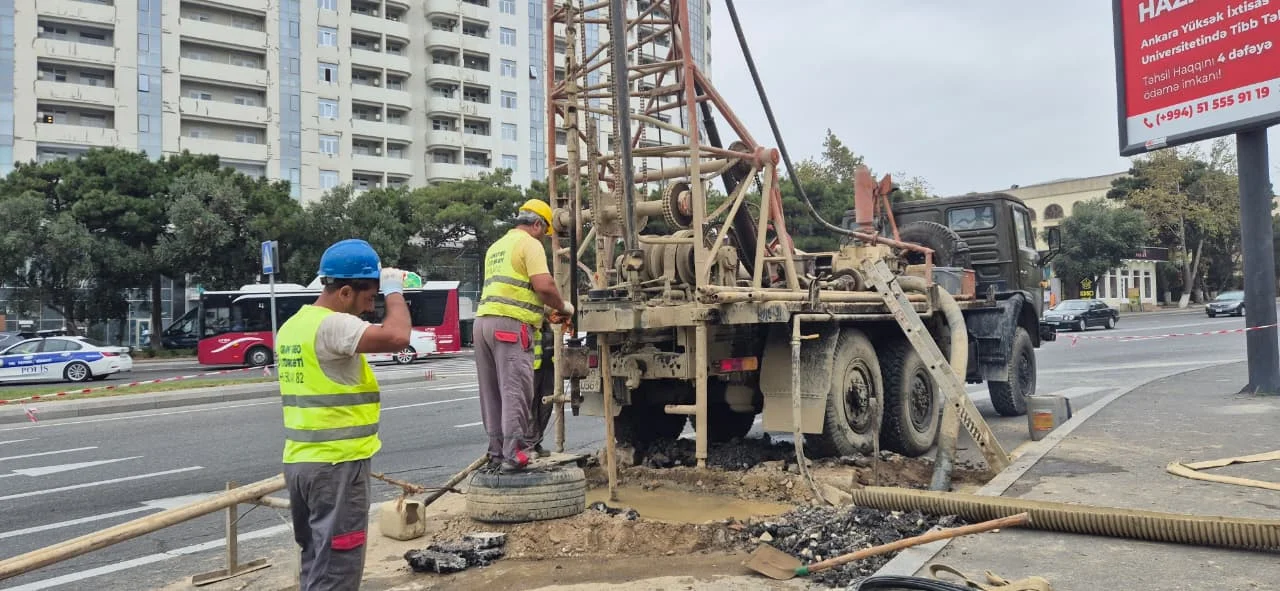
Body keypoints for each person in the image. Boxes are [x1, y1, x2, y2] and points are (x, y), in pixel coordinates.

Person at [276, 238, 412, 591]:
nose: (370, 307)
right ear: (346, 291)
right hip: (336, 467)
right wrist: (395, 291)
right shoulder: (332, 325)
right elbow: (398, 336)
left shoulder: (293, 326)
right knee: (337, 567)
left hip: (302, 463)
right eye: (370, 297)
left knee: (316, 561)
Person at [475, 199, 573, 473]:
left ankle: (497, 453)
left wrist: (543, 312)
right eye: (544, 232)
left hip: (483, 324)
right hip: (509, 327)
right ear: (538, 224)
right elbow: (544, 285)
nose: (543, 238)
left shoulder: (497, 246)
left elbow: (512, 291)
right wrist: (562, 307)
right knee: (515, 391)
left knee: (492, 394)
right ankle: (515, 454)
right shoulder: (530, 244)